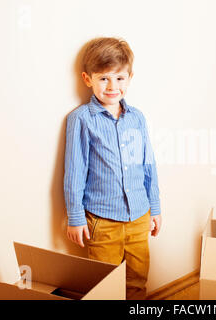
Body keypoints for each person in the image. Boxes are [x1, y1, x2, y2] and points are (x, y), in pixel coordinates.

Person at [63, 37, 162, 300]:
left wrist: (156, 206)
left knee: (137, 281)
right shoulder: (81, 120)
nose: (112, 86)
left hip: (140, 217)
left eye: (119, 78)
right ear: (88, 79)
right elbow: (74, 171)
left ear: (129, 78)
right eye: (104, 78)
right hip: (102, 222)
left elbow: (148, 164)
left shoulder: (137, 118)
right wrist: (75, 215)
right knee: (104, 287)